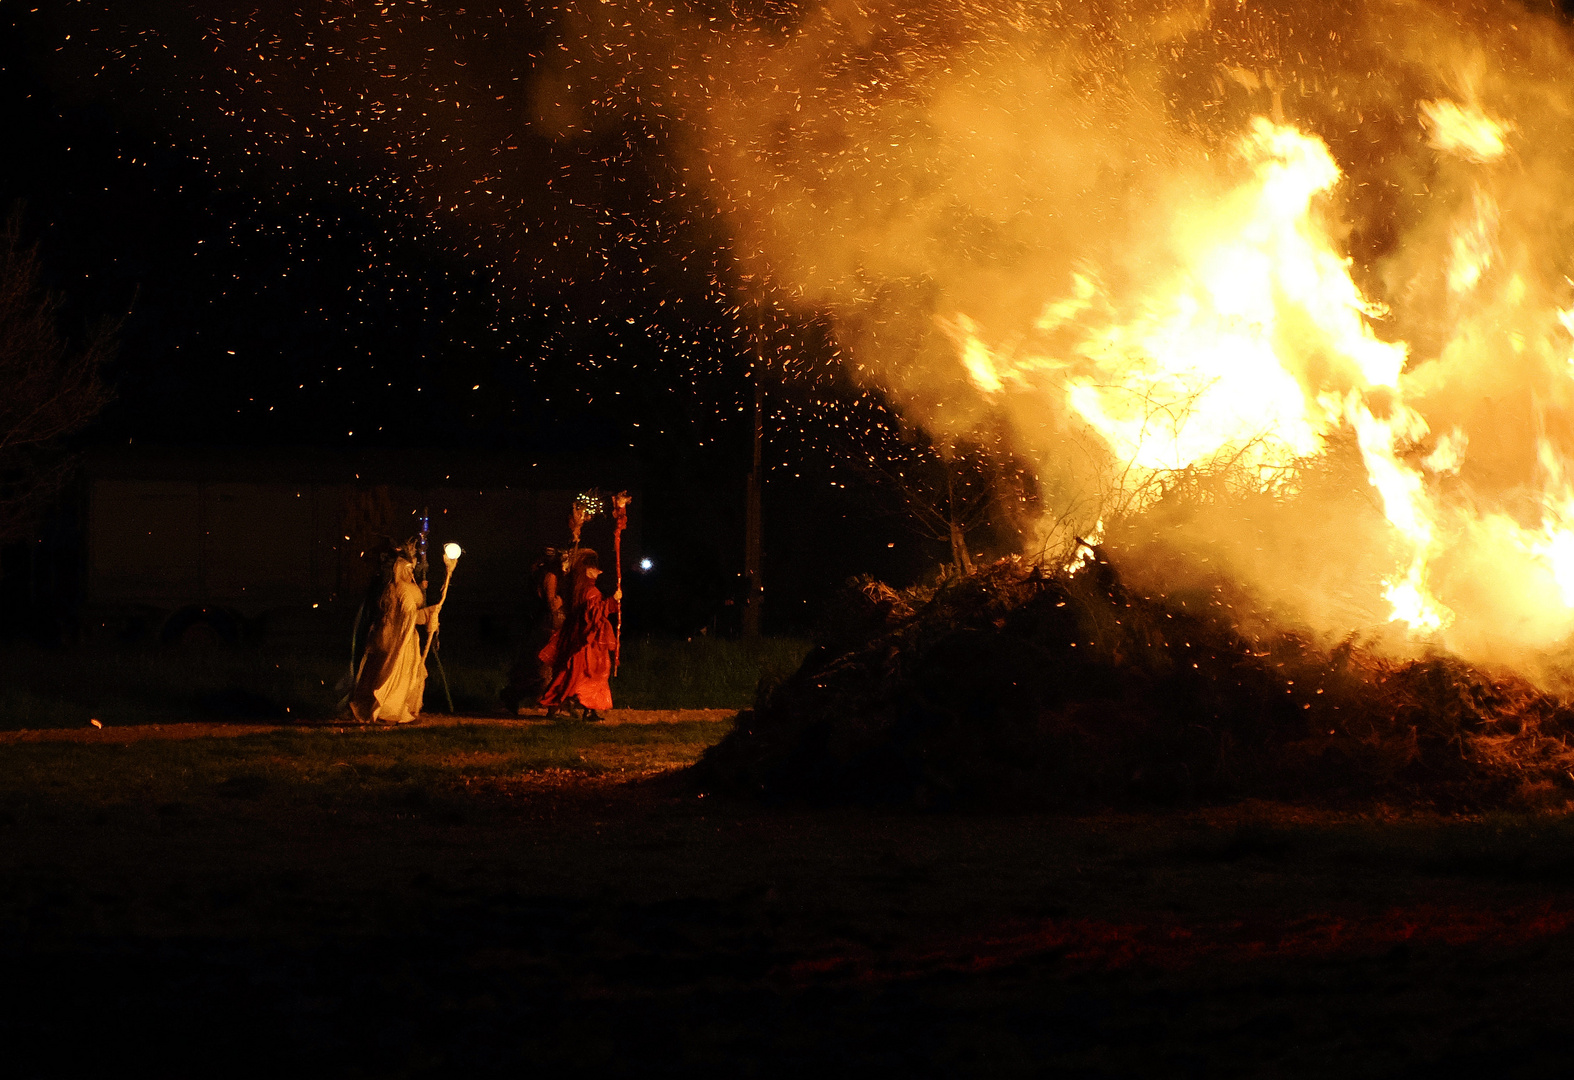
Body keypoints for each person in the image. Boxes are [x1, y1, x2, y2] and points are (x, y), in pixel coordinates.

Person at [349, 541, 442, 724]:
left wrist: (430, 614)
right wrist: (426, 613)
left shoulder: (405, 589)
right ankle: (388, 709)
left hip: (402, 637)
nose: (410, 572)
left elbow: (413, 618)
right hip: (397, 639)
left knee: (403, 673)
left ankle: (397, 709)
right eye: (406, 569)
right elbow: (408, 617)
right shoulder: (400, 590)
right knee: (394, 673)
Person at [538, 549, 621, 721]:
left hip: (585, 639)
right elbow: (594, 614)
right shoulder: (590, 591)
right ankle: (560, 707)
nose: (599, 573)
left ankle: (588, 709)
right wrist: (613, 600)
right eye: (595, 569)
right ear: (588, 570)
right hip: (586, 642)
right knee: (581, 673)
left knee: (587, 674)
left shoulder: (580, 589)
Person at [500, 548, 566, 715]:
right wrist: (560, 602)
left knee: (546, 669)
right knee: (540, 670)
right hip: (547, 626)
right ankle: (513, 696)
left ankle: (554, 704)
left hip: (546, 625)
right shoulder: (550, 576)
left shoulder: (545, 574)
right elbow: (551, 605)